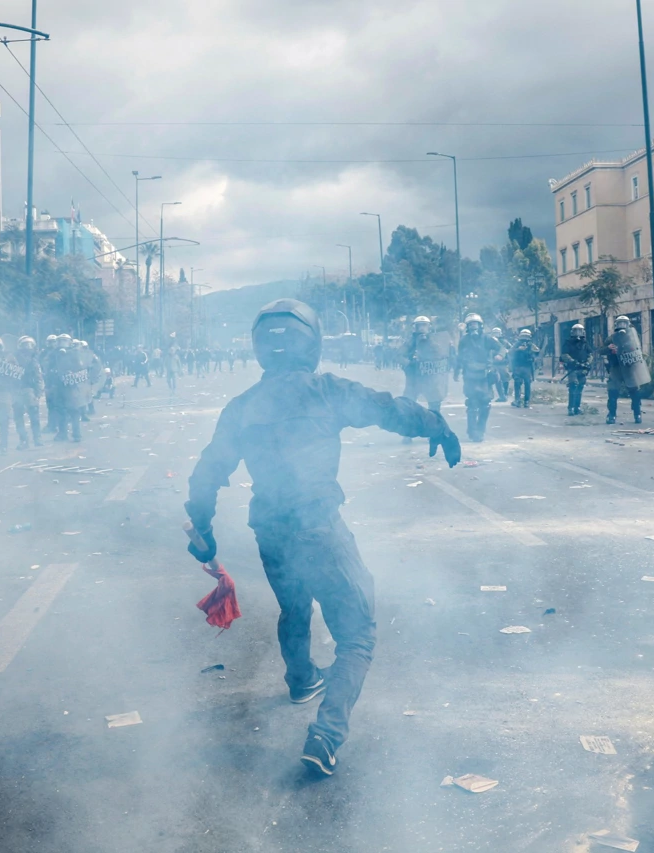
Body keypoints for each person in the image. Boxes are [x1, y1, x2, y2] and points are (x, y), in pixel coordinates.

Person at [186, 299, 460, 778]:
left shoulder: (242, 407)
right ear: (312, 342)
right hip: (317, 528)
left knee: (295, 606)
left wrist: (204, 533)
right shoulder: (326, 390)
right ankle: (327, 734)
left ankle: (300, 679)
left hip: (268, 529)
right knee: (357, 634)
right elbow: (388, 409)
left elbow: (207, 473)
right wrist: (438, 426)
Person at [455, 313, 500, 442]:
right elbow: (459, 356)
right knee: (472, 403)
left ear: (480, 325)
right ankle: (473, 431)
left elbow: (501, 348)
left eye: (475, 324)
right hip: (470, 375)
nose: (473, 326)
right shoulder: (464, 340)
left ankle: (480, 430)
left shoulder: (488, 339)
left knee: (485, 404)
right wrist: (456, 371)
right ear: (468, 327)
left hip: (485, 375)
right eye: (471, 324)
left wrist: (499, 355)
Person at [603, 315, 649, 425]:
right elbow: (601, 351)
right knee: (613, 392)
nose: (622, 325)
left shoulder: (633, 337)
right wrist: (609, 349)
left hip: (630, 367)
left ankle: (637, 414)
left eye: (624, 323)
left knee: (635, 392)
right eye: (620, 323)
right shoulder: (611, 338)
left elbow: (637, 350)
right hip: (616, 368)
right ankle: (612, 415)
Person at [11, 336, 44, 448]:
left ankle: (37, 438)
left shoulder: (34, 361)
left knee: (34, 415)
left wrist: (38, 393)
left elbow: (38, 377)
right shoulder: (13, 359)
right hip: (16, 390)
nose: (27, 348)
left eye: (29, 345)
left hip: (29, 390)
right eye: (24, 345)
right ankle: (23, 439)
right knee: (18, 416)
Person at [560, 323, 593, 416]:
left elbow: (590, 354)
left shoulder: (585, 343)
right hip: (572, 368)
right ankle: (570, 408)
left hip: (582, 368)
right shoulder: (568, 342)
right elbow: (564, 354)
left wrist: (587, 363)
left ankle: (577, 407)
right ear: (572, 332)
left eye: (580, 331)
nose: (578, 333)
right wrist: (573, 361)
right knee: (573, 386)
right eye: (576, 331)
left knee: (580, 388)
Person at [508, 328, 540, 408]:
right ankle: (517, 400)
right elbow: (510, 352)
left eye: (526, 336)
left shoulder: (531, 344)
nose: (525, 338)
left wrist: (532, 353)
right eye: (523, 336)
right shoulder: (517, 344)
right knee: (518, 383)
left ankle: (526, 401)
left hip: (527, 366)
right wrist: (518, 349)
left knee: (527, 384)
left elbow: (537, 352)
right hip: (518, 366)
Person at [489, 328, 511, 402]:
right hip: (494, 363)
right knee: (496, 379)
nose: (496, 335)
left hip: (503, 363)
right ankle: (501, 396)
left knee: (505, 379)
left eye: (497, 333)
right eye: (494, 333)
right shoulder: (491, 341)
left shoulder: (504, 342)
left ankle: (505, 394)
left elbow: (510, 350)